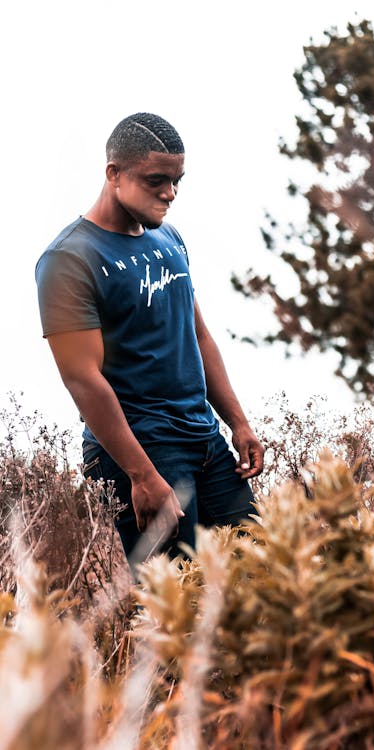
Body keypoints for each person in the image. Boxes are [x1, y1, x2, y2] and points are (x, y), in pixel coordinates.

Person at [35, 112, 265, 566]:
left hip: (206, 443)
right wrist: (140, 473)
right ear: (114, 174)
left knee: (259, 577)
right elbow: (82, 379)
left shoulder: (169, 239)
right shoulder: (69, 260)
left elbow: (197, 335)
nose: (170, 193)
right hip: (144, 453)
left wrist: (236, 422)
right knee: (176, 610)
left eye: (178, 180)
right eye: (157, 180)